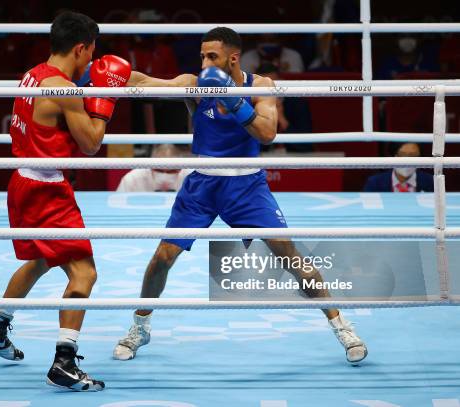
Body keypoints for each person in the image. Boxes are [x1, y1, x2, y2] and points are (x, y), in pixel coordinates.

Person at [115, 27, 367, 364]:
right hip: (202, 185)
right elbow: (147, 84)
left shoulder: (260, 86)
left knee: (289, 255)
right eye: (202, 56)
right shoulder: (195, 83)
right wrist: (105, 73)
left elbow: (267, 133)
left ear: (233, 58)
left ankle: (342, 326)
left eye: (212, 57)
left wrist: (235, 102)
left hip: (247, 186)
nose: (205, 63)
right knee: (162, 257)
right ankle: (140, 327)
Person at [0, 11, 131, 391]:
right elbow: (92, 144)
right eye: (90, 52)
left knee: (43, 257)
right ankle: (64, 362)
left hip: (23, 181)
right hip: (48, 191)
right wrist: (105, 99)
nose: (92, 61)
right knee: (84, 274)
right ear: (80, 48)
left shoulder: (33, 74)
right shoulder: (64, 90)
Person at [116, 144, 192, 192]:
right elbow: (117, 206)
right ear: (151, 166)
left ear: (180, 168)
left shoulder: (192, 179)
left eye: (171, 171)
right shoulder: (133, 179)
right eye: (159, 170)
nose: (165, 176)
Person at [363, 142, 434, 192]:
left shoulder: (431, 182)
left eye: (413, 155)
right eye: (402, 155)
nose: (407, 160)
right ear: (393, 156)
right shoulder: (375, 182)